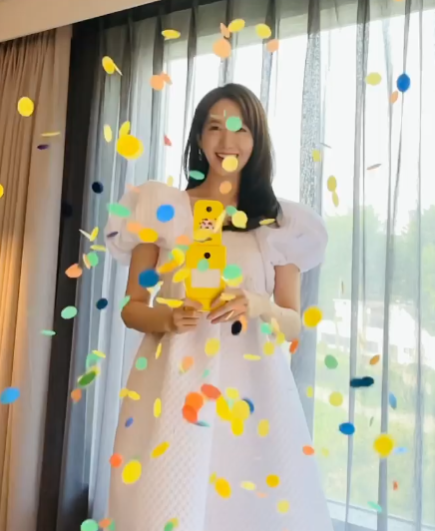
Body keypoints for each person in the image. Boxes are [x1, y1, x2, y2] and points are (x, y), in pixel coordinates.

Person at [104, 83, 332, 531]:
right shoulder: (163, 209)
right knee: (165, 505)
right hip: (173, 386)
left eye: (240, 128)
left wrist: (258, 304)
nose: (227, 141)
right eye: (214, 127)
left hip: (252, 394)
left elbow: (293, 326)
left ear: (257, 138)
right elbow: (132, 308)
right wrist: (169, 317)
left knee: (250, 506)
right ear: (198, 137)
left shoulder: (280, 223)